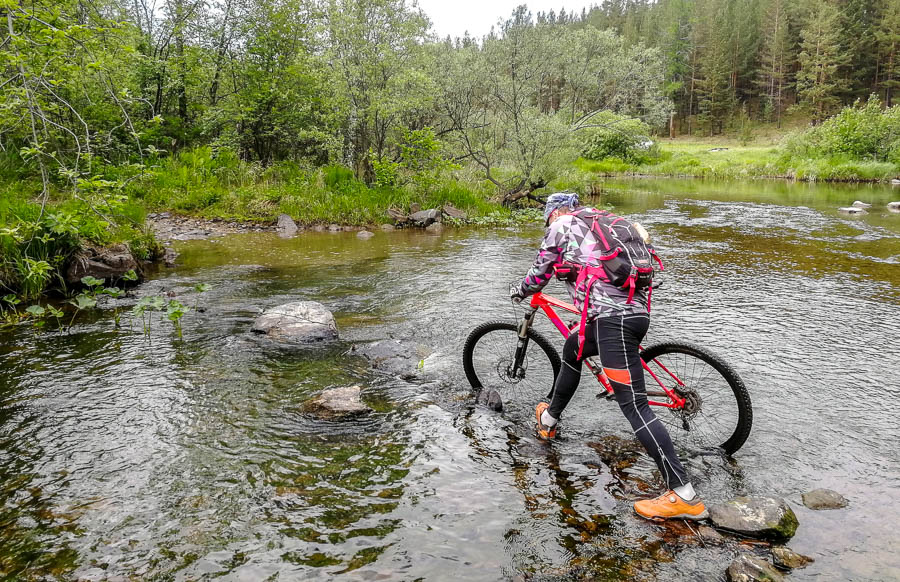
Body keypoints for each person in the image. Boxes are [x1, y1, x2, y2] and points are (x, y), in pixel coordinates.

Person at [510, 192, 707, 521]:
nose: (549, 224)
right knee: (573, 348)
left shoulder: (561, 226)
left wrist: (519, 290)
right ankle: (549, 420)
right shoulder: (608, 222)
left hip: (613, 323)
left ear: (555, 212)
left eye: (548, 218)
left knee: (634, 405)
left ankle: (683, 494)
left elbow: (539, 274)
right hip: (635, 314)